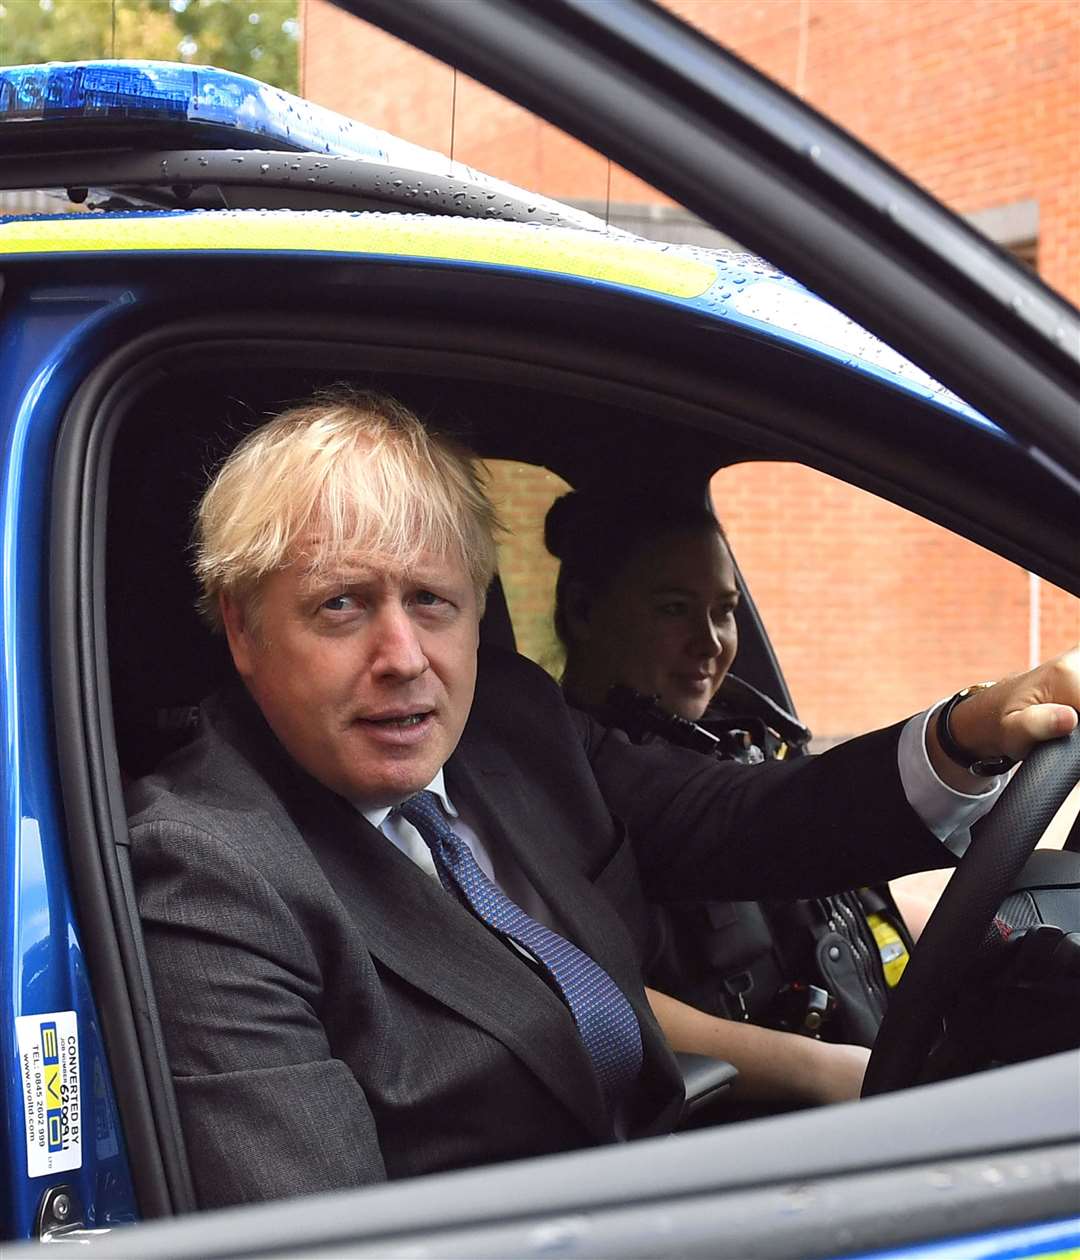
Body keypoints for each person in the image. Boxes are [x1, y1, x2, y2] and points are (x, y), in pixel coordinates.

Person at [128, 388, 1079, 1210]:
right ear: (245, 631)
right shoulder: (213, 873)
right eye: (341, 605)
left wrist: (967, 733)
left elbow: (740, 819)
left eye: (432, 600)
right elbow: (327, 1240)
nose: (403, 658)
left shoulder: (509, 720)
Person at [543, 488, 913, 1104]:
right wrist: (817, 1071)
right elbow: (580, 988)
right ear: (584, 611)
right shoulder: (556, 784)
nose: (710, 641)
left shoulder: (743, 740)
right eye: (673, 609)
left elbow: (856, 909)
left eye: (724, 610)